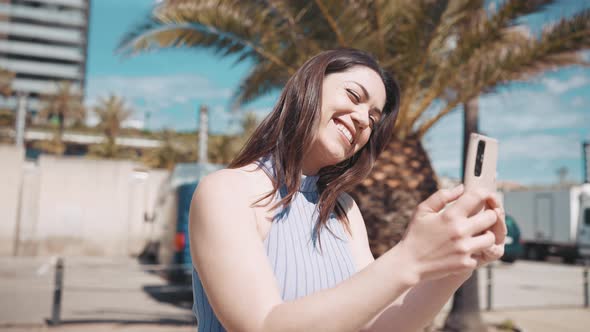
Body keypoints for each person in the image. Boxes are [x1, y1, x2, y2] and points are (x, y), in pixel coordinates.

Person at [188, 48, 506, 332]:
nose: (363, 120)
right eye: (354, 96)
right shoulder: (226, 191)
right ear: (308, 86)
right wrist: (410, 257)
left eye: (373, 118)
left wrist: (460, 264)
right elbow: (262, 325)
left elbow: (381, 326)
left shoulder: (344, 210)